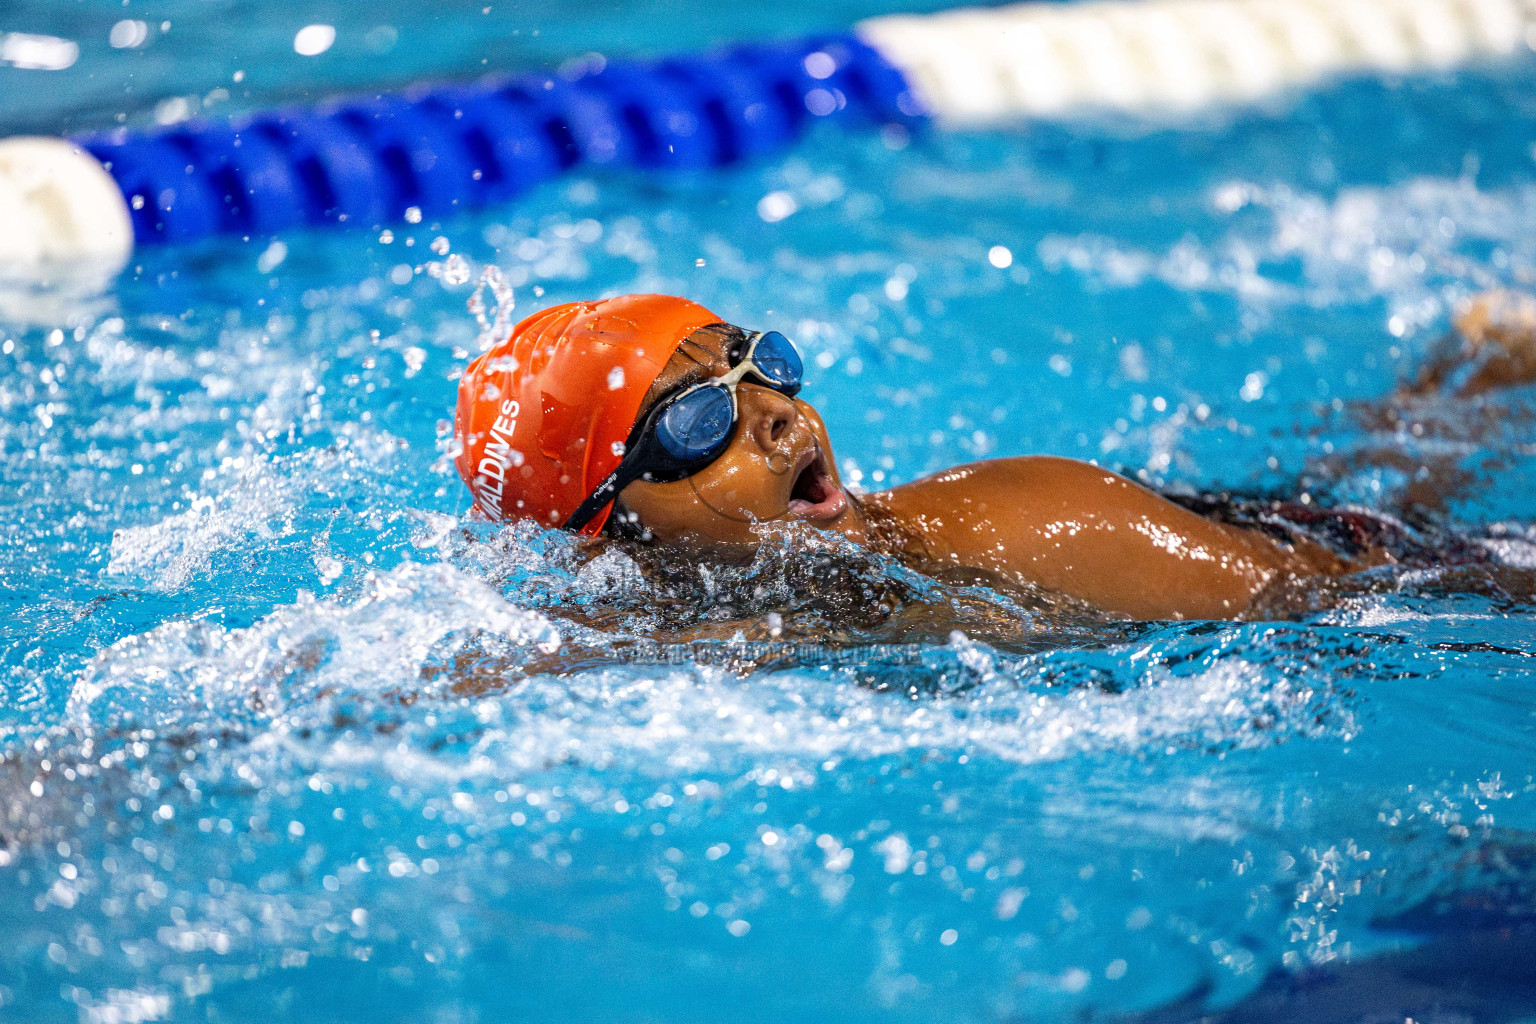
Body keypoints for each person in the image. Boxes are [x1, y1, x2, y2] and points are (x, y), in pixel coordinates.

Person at [453, 292, 1536, 622]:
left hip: (1281, 560)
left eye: (761, 367)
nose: (778, 419)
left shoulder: (1040, 531)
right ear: (612, 527)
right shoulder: (639, 629)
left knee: (1372, 528)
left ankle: (1485, 376)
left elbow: (1367, 600)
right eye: (698, 423)